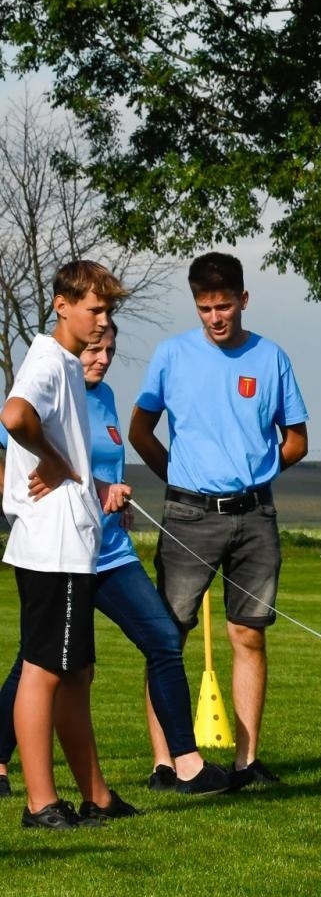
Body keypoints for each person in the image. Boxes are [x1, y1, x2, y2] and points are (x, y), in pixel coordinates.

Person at [0, 324, 231, 798]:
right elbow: (17, 448)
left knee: (163, 639)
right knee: (37, 661)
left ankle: (186, 764)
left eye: (109, 350)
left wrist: (111, 496)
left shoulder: (104, 396)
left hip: (110, 552)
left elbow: (96, 466)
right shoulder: (49, 385)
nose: (102, 358)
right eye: (94, 349)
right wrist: (23, 504)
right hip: (62, 553)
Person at [128, 252, 309, 788]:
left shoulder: (271, 358)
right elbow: (140, 431)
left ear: (243, 299)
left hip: (255, 516)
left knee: (248, 634)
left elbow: (296, 439)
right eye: (205, 308)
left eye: (224, 306)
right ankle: (165, 763)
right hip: (187, 515)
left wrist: (256, 473)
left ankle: (246, 762)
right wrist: (177, 478)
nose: (215, 317)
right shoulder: (171, 355)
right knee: (168, 638)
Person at [1, 261, 135, 828]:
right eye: (94, 309)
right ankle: (40, 803)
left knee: (75, 673)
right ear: (62, 305)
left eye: (108, 311)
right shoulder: (49, 360)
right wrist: (54, 462)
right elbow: (15, 416)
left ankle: (96, 796)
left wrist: (88, 479)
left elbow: (64, 446)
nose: (102, 321)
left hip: (71, 543)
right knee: (44, 671)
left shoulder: (68, 367)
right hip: (51, 545)